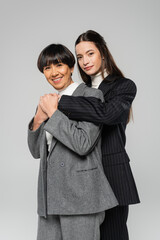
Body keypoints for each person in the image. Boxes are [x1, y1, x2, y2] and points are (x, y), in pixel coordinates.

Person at [27, 43, 118, 240]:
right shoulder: (48, 101)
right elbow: (37, 152)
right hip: (49, 199)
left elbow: (83, 143)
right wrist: (39, 119)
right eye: (47, 68)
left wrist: (53, 112)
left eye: (59, 65)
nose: (53, 73)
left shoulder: (91, 95)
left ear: (70, 67)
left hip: (81, 198)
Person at [58, 30, 140, 240]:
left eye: (90, 53)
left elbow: (107, 114)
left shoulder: (124, 85)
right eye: (79, 57)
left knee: (113, 235)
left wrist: (60, 103)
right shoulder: (80, 91)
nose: (85, 61)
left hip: (113, 174)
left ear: (102, 53)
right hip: (83, 175)